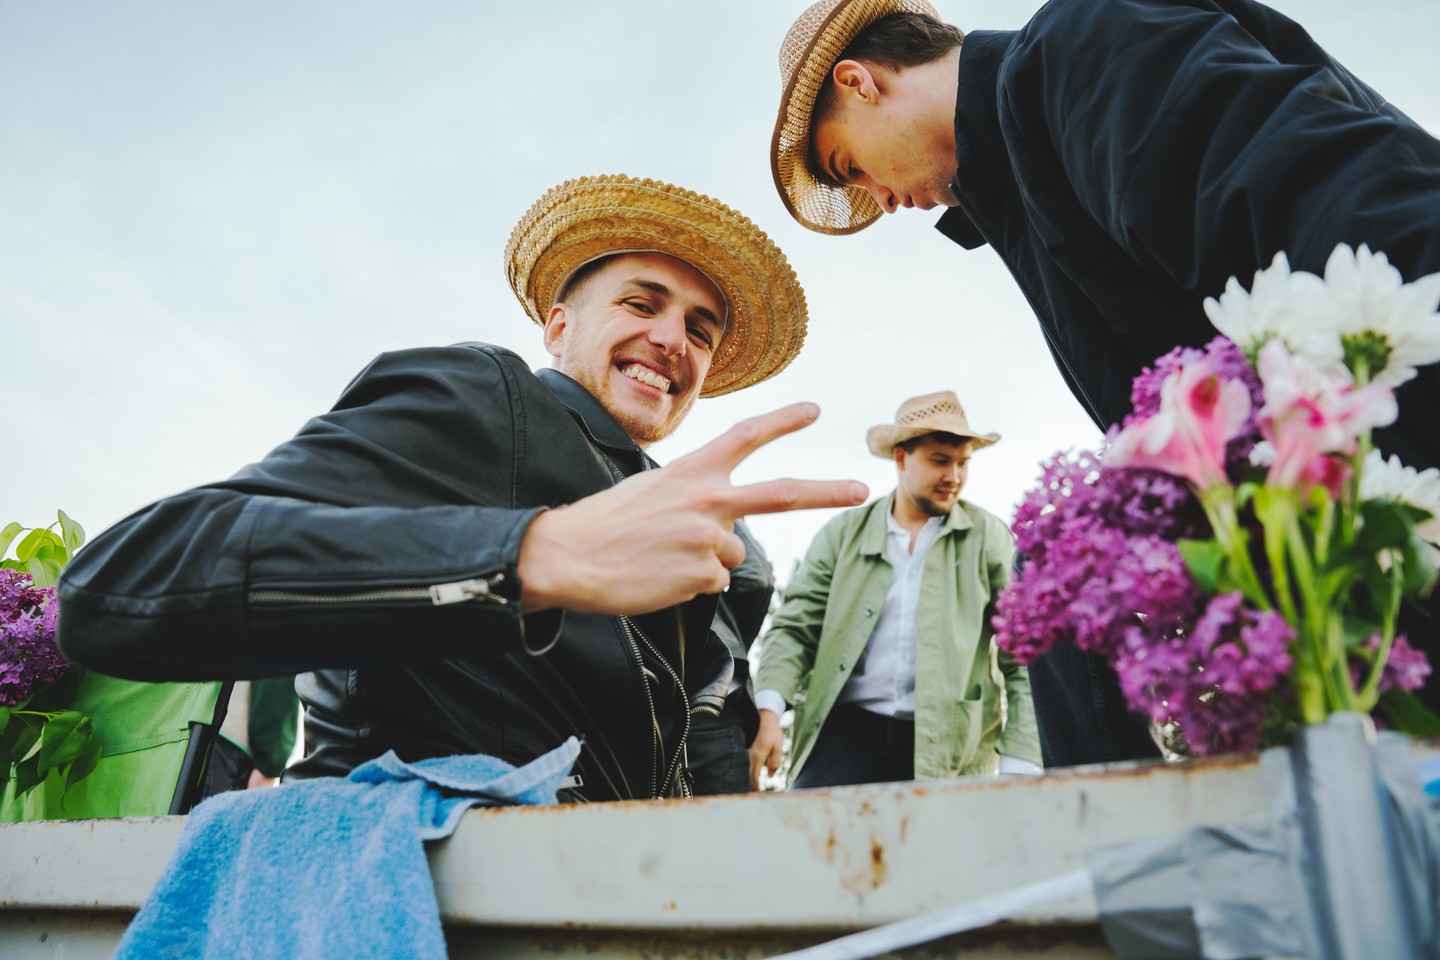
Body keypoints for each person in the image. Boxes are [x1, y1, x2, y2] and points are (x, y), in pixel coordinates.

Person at [767, 0, 1440, 765]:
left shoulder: (1078, 46)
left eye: (851, 167)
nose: (881, 201)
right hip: (1330, 529)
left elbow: (1325, 188)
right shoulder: (1020, 170)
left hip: (1392, 442)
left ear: (859, 83)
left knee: (1060, 572)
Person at [56, 174, 869, 802]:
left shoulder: (688, 518)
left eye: (700, 329)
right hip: (423, 886)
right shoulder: (487, 397)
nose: (672, 339)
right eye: (641, 303)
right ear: (557, 327)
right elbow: (123, 585)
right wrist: (530, 558)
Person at [749, 391, 1040, 789]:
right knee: (823, 845)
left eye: (962, 463)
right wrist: (767, 712)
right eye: (940, 460)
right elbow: (795, 629)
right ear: (901, 458)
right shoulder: (841, 535)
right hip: (844, 735)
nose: (953, 476)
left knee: (936, 851)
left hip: (951, 743)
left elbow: (1024, 654)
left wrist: (1021, 758)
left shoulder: (988, 537)